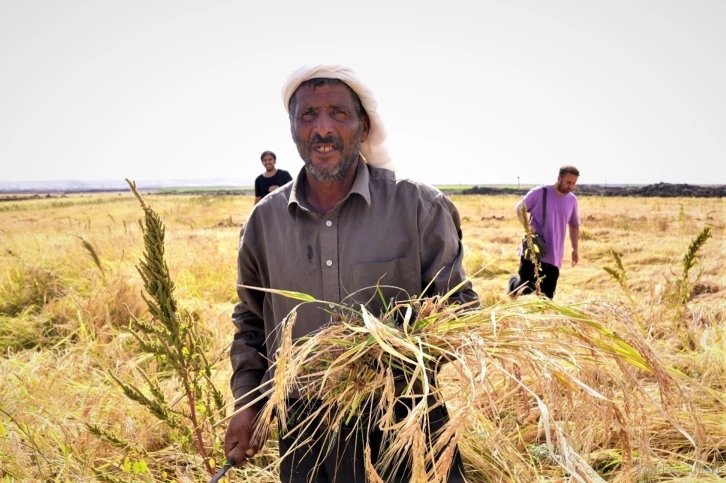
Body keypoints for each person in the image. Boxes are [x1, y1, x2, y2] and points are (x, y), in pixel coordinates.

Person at [224, 64, 479, 482]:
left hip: (406, 422)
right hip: (306, 432)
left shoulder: (418, 207)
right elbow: (251, 322)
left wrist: (385, 358)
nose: (322, 128)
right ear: (292, 129)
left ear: (363, 127)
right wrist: (248, 402)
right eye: (308, 115)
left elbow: (460, 313)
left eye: (338, 114)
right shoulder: (263, 223)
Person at [508, 165, 581, 299]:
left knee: (546, 297)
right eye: (568, 182)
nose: (570, 186)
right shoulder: (539, 192)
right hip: (534, 249)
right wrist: (527, 226)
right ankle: (513, 286)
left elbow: (574, 225)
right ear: (559, 178)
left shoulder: (572, 200)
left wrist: (575, 248)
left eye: (573, 183)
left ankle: (540, 320)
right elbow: (520, 209)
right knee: (526, 288)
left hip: (554, 255)